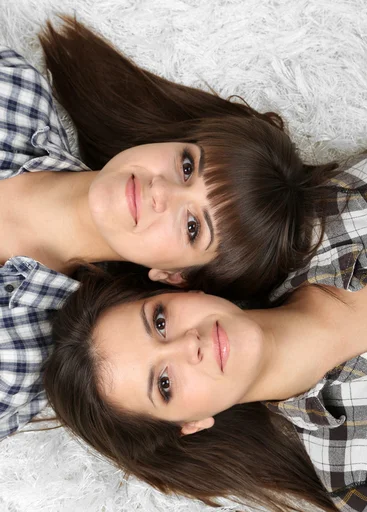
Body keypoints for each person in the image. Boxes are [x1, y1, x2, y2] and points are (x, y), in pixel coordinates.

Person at [0, 16, 328, 436]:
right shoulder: (14, 92)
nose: (162, 193)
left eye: (193, 227)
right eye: (187, 167)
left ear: (174, 278)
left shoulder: (19, 362)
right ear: (172, 140)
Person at [43, 270, 367, 512]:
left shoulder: (327, 220)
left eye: (160, 322)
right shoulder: (365, 480)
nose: (188, 345)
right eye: (164, 385)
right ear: (191, 424)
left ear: (183, 290)